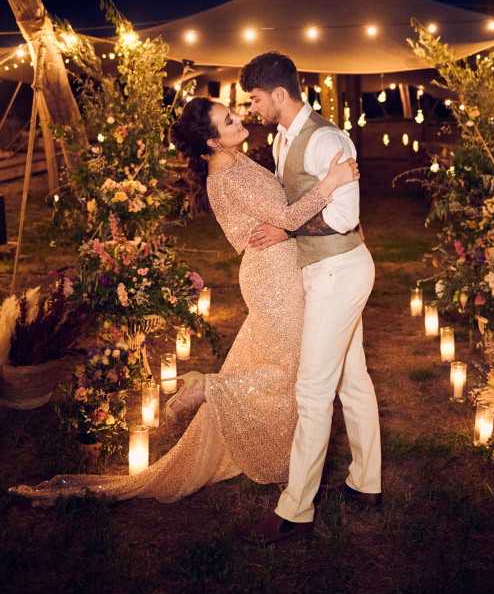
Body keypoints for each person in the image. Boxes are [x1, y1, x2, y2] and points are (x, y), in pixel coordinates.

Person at [9, 96, 357, 505]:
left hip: (276, 271)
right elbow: (286, 217)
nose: (238, 119)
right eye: (228, 121)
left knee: (284, 366)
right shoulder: (227, 174)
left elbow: (277, 215)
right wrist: (331, 184)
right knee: (290, 371)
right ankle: (207, 387)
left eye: (233, 114)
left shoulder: (232, 159)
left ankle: (287, 459)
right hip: (274, 280)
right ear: (211, 142)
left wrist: (285, 222)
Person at [238, 51, 381, 546]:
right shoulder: (281, 137)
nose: (252, 109)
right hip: (325, 271)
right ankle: (367, 483)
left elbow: (343, 216)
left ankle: (296, 510)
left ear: (279, 94)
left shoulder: (326, 139)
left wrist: (284, 229)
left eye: (255, 99)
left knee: (313, 390)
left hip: (340, 271)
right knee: (352, 380)